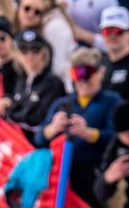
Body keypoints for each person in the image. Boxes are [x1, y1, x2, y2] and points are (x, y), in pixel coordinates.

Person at [41, 47, 118, 196]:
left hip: (94, 175)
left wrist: (89, 134)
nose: (82, 80)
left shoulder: (112, 101)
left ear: (100, 73)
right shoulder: (62, 103)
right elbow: (39, 137)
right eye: (76, 74)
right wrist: (53, 128)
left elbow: (116, 137)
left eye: (87, 73)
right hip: (61, 177)